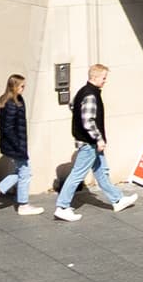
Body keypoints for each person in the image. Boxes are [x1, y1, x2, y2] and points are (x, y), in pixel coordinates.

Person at [50, 64, 135, 219]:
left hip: (89, 142)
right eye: (103, 78)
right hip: (89, 143)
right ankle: (62, 207)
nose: (105, 81)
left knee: (102, 172)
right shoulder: (91, 95)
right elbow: (88, 121)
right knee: (77, 174)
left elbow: (72, 106)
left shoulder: (83, 92)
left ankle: (118, 199)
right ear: (94, 77)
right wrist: (99, 139)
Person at [0, 73, 35, 214]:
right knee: (25, 173)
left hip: (16, 144)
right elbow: (8, 128)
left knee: (21, 172)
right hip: (16, 145)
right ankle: (23, 204)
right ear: (14, 86)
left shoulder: (15, 100)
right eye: (21, 86)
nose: (23, 89)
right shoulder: (11, 103)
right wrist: (19, 147)